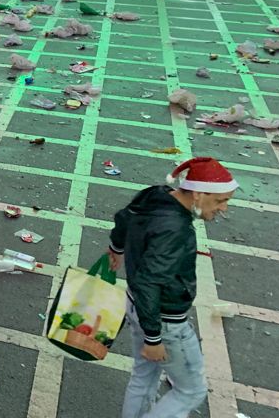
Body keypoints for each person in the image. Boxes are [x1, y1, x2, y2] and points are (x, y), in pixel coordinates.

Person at [107, 157, 237, 418]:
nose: (224, 208)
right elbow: (150, 281)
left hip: (137, 306)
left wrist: (117, 246)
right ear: (198, 194)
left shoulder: (156, 195)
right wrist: (154, 338)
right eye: (220, 200)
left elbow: (124, 217)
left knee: (144, 376)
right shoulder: (176, 229)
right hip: (164, 320)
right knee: (190, 391)